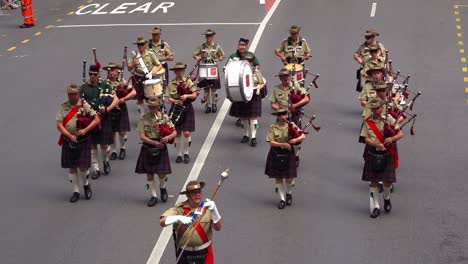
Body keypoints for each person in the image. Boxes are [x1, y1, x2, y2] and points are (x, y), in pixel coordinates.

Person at [160, 180, 222, 264]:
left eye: (199, 192)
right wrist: (177, 218)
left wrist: (215, 211)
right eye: (194, 193)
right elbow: (162, 222)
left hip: (204, 252)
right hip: (185, 252)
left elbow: (218, 228)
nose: (197, 195)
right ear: (187, 195)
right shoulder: (180, 209)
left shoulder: (207, 208)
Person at [56, 83, 100, 203]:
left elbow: (96, 119)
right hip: (68, 139)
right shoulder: (63, 107)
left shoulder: (84, 105)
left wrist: (85, 130)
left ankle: (86, 184)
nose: (72, 96)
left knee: (83, 167)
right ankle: (76, 191)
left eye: (74, 94)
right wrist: (69, 135)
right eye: (70, 94)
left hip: (83, 139)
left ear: (78, 94)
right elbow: (59, 124)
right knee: (72, 166)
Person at [361, 97, 403, 218]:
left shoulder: (389, 119)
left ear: (382, 107)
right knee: (373, 181)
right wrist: (375, 144)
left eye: (378, 108)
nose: (376, 111)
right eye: (373, 109)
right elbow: (365, 138)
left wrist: (392, 138)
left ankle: (386, 198)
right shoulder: (368, 122)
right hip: (373, 152)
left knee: (387, 182)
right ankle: (375, 207)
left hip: (387, 153)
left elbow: (401, 133)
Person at [135, 96, 177, 207]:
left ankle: (163, 188)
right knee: (149, 174)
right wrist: (154, 143)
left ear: (158, 106)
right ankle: (153, 196)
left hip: (161, 146)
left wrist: (167, 138)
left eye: (154, 107)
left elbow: (174, 132)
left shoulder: (164, 117)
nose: (152, 109)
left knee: (162, 173)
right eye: (150, 107)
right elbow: (142, 136)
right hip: (148, 146)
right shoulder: (144, 119)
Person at [80, 64, 119, 179]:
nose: (92, 76)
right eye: (90, 74)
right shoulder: (84, 88)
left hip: (104, 117)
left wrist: (107, 109)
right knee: (92, 145)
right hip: (90, 119)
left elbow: (116, 99)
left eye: (94, 74)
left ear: (98, 74)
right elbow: (81, 102)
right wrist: (91, 112)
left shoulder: (105, 85)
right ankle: (95, 169)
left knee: (103, 144)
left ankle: (105, 161)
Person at [265, 108, 305, 209]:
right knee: (278, 178)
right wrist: (282, 144)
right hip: (275, 153)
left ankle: (289, 193)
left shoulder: (291, 125)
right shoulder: (273, 127)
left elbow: (303, 136)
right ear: (278, 116)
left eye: (285, 114)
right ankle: (282, 199)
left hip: (288, 154)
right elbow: (270, 141)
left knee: (289, 179)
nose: (284, 116)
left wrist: (295, 139)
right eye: (281, 114)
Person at [228, 53, 265, 147]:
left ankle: (253, 137)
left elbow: (262, 82)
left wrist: (258, 88)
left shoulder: (256, 72)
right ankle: (246, 135)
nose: (249, 63)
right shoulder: (239, 72)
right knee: (244, 117)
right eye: (247, 61)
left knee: (254, 118)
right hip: (243, 95)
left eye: (250, 62)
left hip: (254, 95)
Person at [166, 62, 199, 164]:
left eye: (181, 70)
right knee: (178, 133)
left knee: (187, 132)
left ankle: (186, 153)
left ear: (183, 71)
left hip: (187, 108)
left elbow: (194, 95)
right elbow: (168, 98)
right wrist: (176, 101)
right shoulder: (171, 84)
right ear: (175, 72)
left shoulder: (188, 82)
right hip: (176, 109)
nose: (179, 72)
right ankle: (179, 154)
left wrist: (186, 96)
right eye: (177, 70)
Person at [104, 63, 136, 161]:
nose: (110, 72)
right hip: (110, 109)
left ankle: (122, 148)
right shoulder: (104, 83)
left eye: (112, 70)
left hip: (121, 108)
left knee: (121, 131)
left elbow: (134, 92)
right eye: (109, 70)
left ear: (117, 72)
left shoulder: (123, 82)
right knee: (112, 132)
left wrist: (124, 99)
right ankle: (114, 151)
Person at [127, 37, 163, 117]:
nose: (140, 46)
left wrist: (155, 71)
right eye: (138, 45)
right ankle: (142, 116)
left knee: (151, 97)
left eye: (142, 44)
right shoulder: (134, 55)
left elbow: (159, 65)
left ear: (145, 45)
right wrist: (133, 64)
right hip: (137, 77)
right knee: (139, 97)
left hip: (148, 77)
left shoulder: (150, 54)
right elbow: (129, 68)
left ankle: (155, 115)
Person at [193, 29, 225, 114]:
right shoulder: (202, 47)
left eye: (210, 36)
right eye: (207, 36)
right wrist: (197, 57)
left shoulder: (217, 47)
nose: (208, 38)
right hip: (204, 68)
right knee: (206, 87)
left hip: (213, 68)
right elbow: (195, 54)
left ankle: (214, 103)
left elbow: (222, 55)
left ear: (213, 36)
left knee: (213, 87)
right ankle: (208, 105)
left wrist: (221, 58)